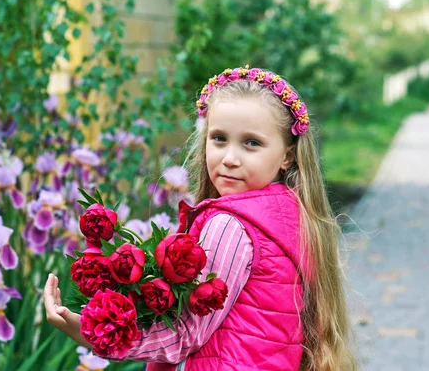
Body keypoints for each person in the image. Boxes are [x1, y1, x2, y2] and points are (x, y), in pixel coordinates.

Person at [44, 66, 357, 370]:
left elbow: (185, 335)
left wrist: (91, 332)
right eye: (219, 138)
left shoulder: (231, 225)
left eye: (252, 143)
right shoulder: (293, 217)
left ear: (287, 155)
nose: (230, 158)